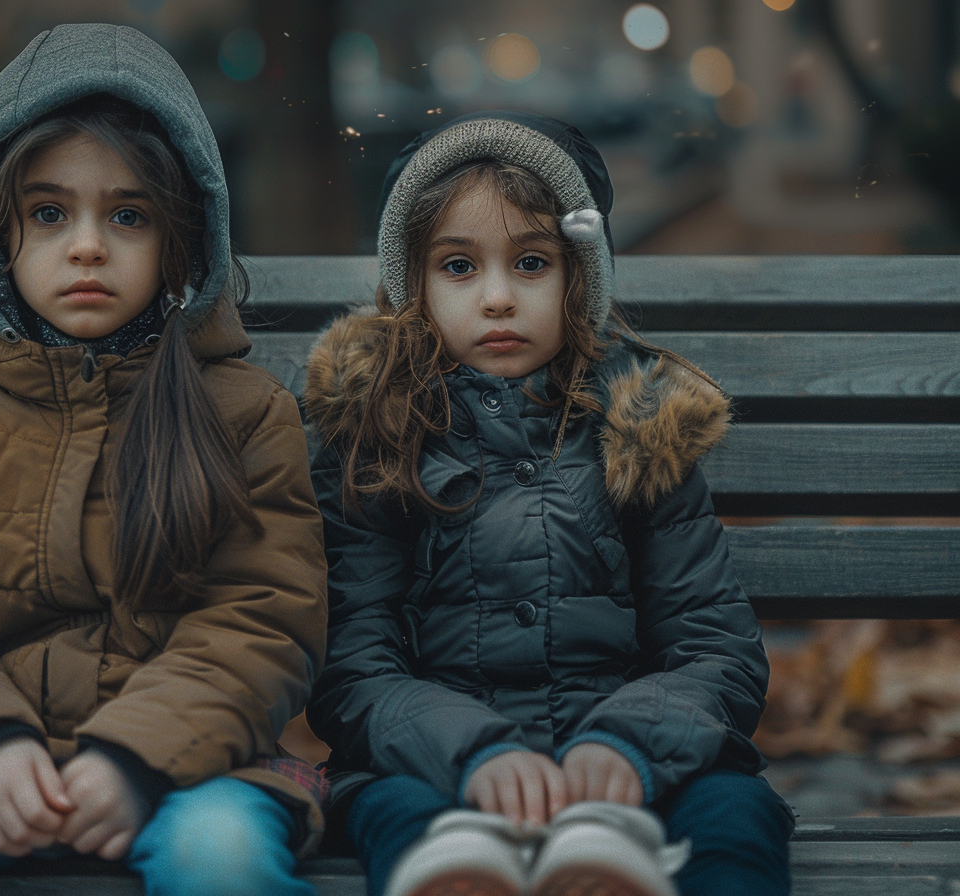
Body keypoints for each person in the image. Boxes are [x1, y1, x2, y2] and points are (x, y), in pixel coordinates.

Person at [0, 23, 327, 896]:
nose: (87, 245)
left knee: (222, 861)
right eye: (50, 213)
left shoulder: (245, 417)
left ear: (181, 239)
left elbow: (264, 619)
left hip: (188, 771)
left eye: (128, 215)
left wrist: (138, 756)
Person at [301, 111, 794, 896]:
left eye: (530, 263)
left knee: (737, 815)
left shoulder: (638, 432)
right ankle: (464, 873)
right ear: (414, 287)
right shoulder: (376, 443)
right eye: (459, 268)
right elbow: (355, 672)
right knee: (400, 816)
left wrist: (627, 746)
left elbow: (716, 650)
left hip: (637, 766)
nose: (497, 297)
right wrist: (474, 752)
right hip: (435, 766)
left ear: (577, 278)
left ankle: (612, 862)